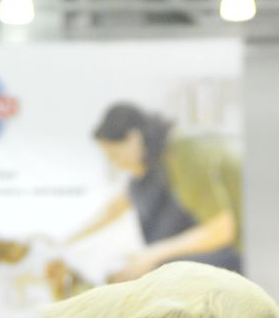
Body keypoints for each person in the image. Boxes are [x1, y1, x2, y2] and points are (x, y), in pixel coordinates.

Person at [72, 102, 243, 281]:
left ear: (133, 138)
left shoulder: (184, 154)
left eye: (115, 155)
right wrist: (66, 241)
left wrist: (152, 255)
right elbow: (114, 208)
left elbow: (222, 230)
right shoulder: (162, 160)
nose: (117, 164)